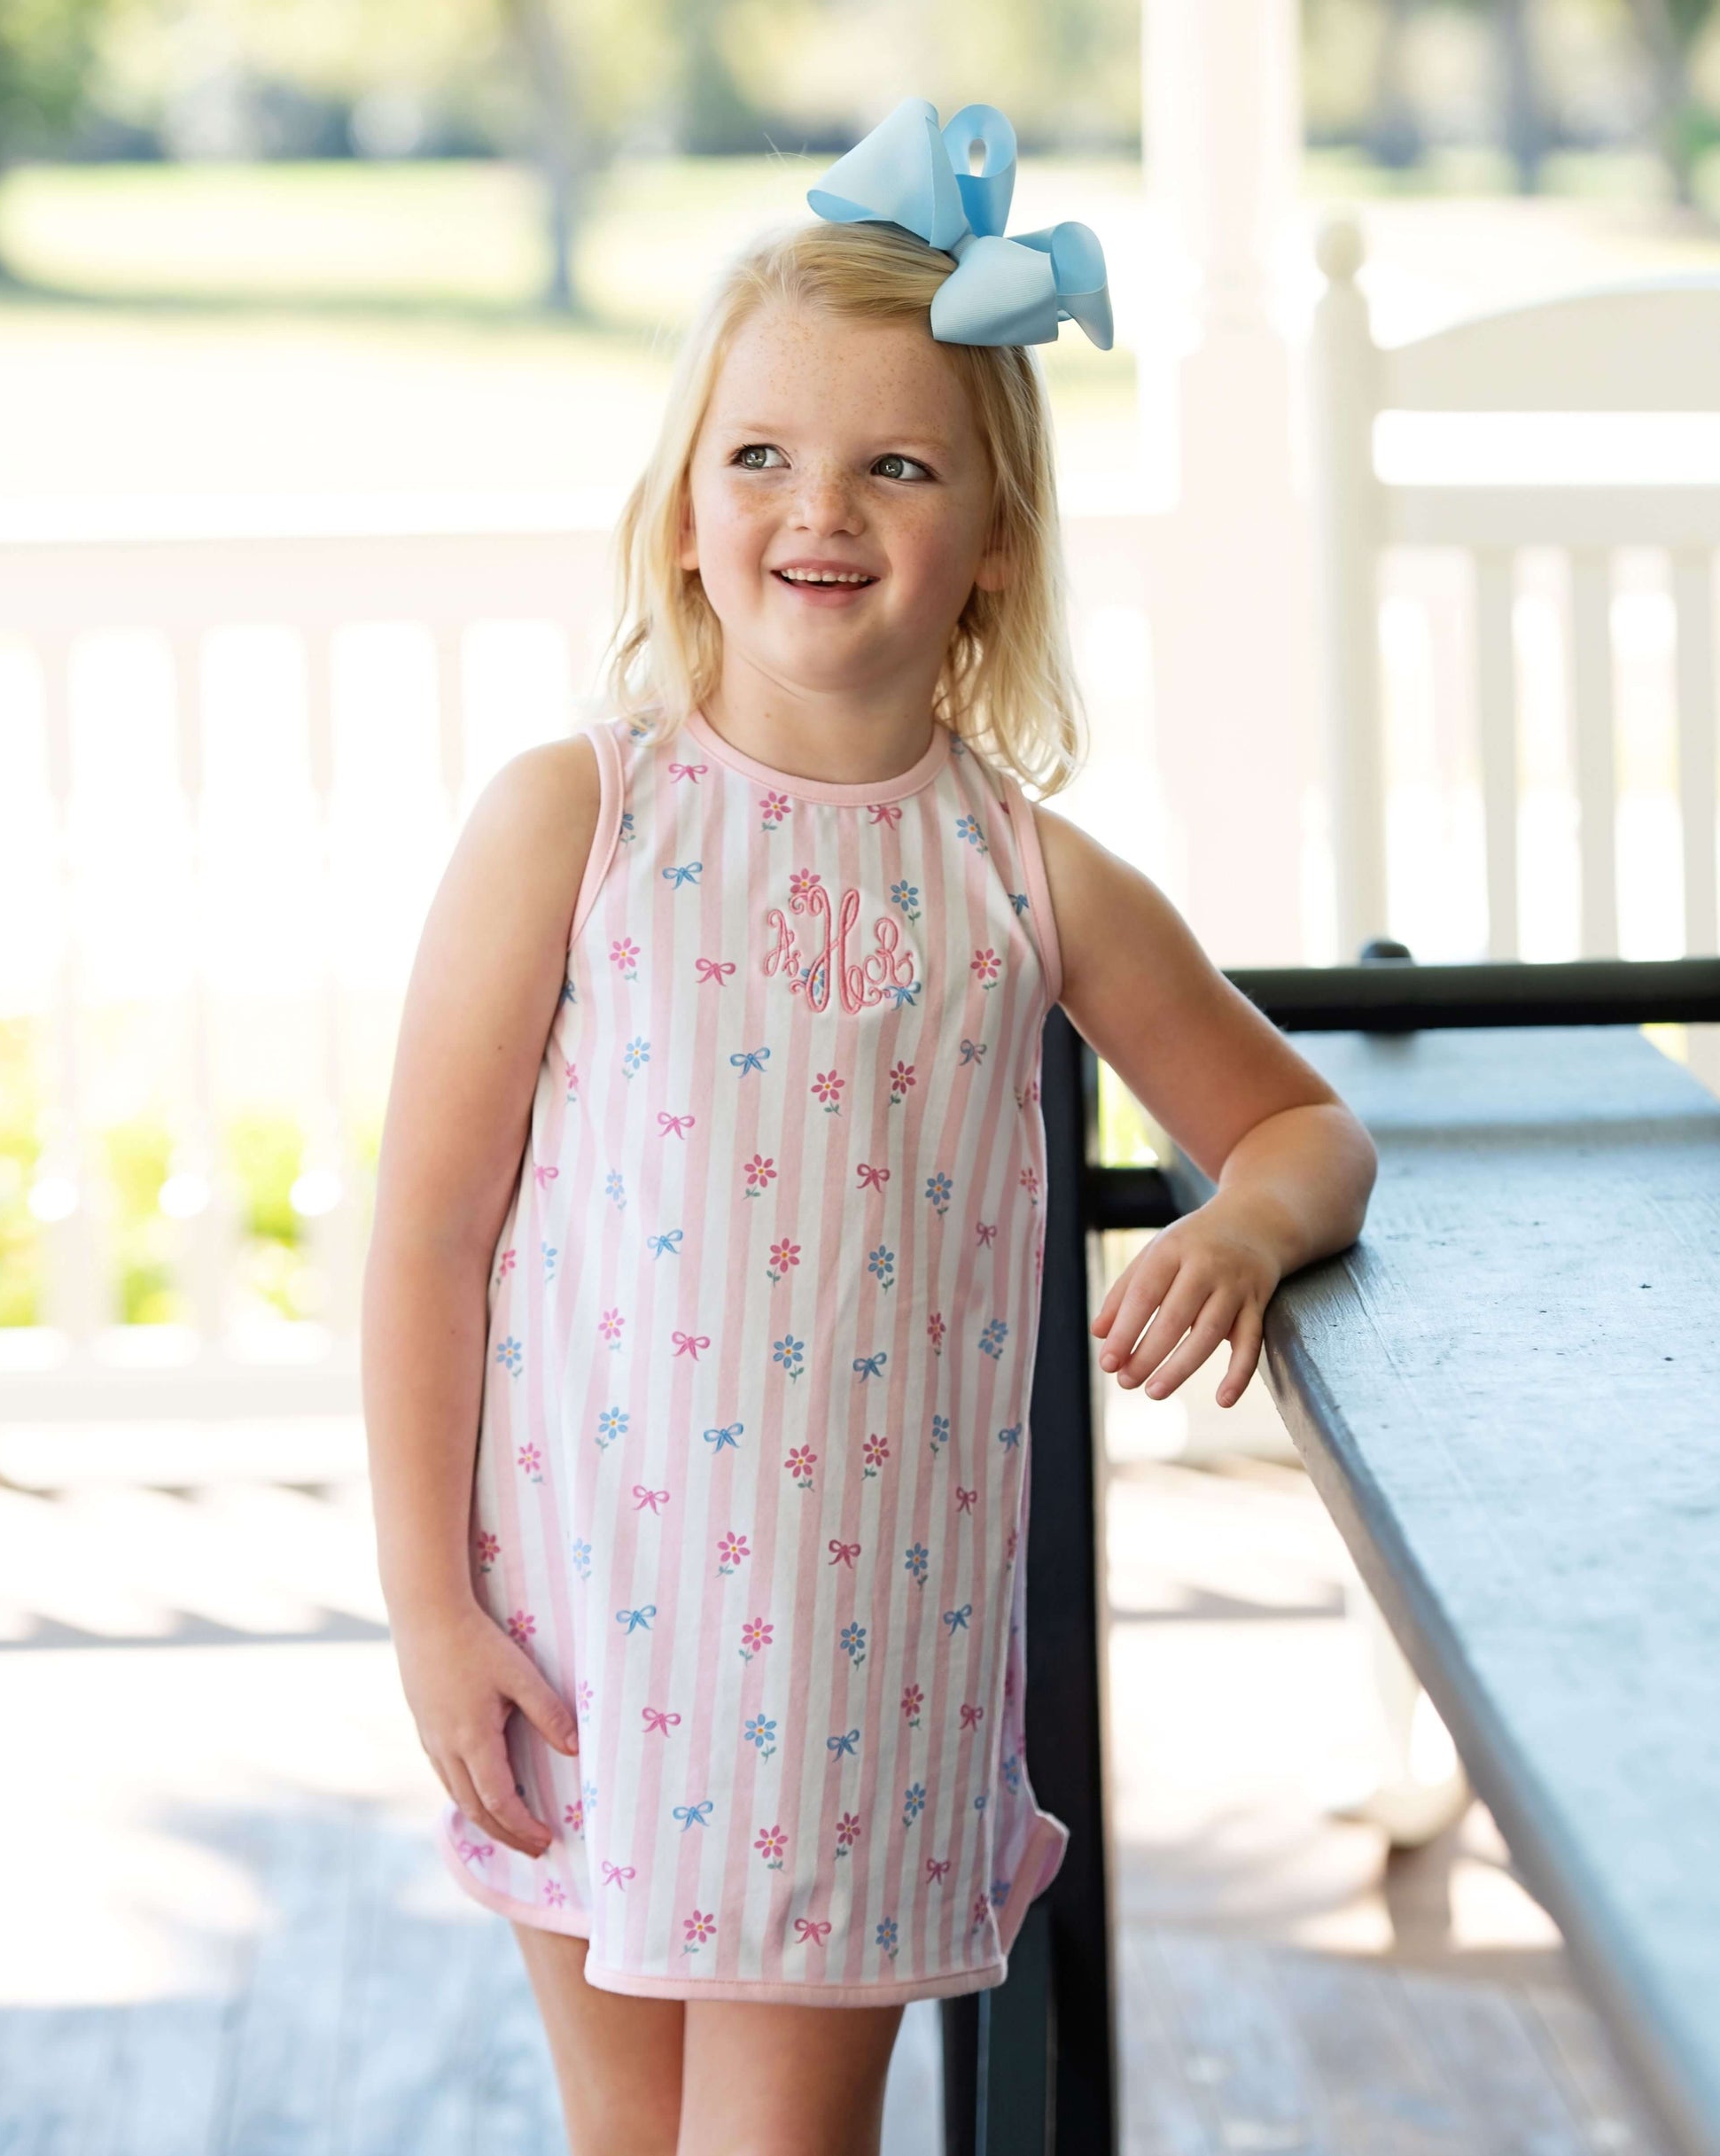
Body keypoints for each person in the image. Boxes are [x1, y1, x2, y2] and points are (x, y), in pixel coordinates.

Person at [361, 96, 1376, 2156]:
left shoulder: (1025, 875)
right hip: (576, 1640)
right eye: (759, 455)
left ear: (993, 539)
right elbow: (429, 1236)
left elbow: (1299, 1123)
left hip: (850, 1682)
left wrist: (1244, 1227)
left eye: (896, 464)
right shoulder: (574, 822)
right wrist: (430, 1611)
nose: (816, 506)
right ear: (680, 509)